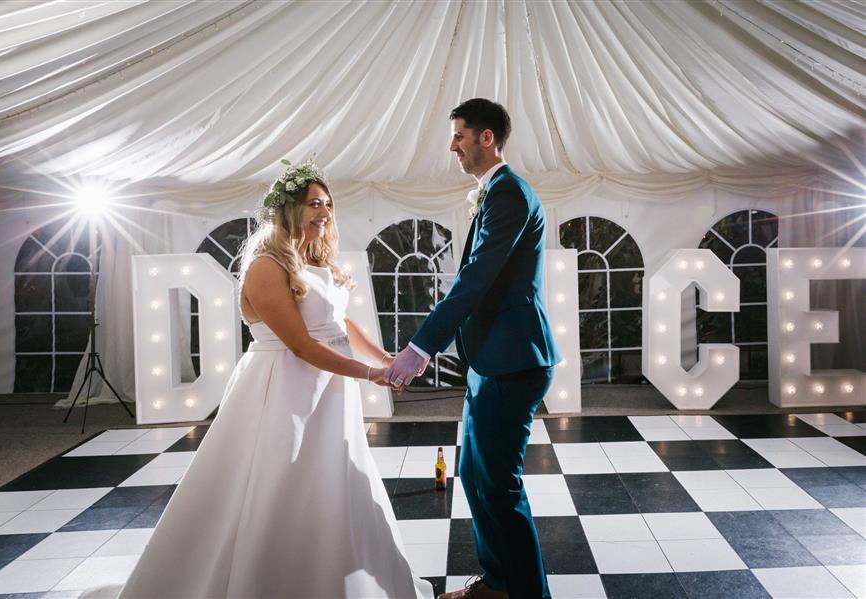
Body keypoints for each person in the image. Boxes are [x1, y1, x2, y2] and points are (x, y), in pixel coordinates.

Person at [99, 159, 433, 598]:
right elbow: (301, 346)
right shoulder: (265, 265)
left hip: (329, 388)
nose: (324, 213)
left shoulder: (313, 258)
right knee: (277, 484)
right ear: (289, 208)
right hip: (284, 386)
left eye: (328, 205)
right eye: (314, 204)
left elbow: (340, 324)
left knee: (332, 482)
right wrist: (372, 374)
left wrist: (385, 356)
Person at [386, 99, 562, 599]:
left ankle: (527, 594)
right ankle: (497, 582)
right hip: (493, 359)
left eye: (460, 136)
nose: (452, 146)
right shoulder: (494, 193)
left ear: (487, 138)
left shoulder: (508, 194)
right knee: (471, 473)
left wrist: (420, 349)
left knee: (500, 488)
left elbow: (474, 281)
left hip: (514, 360)